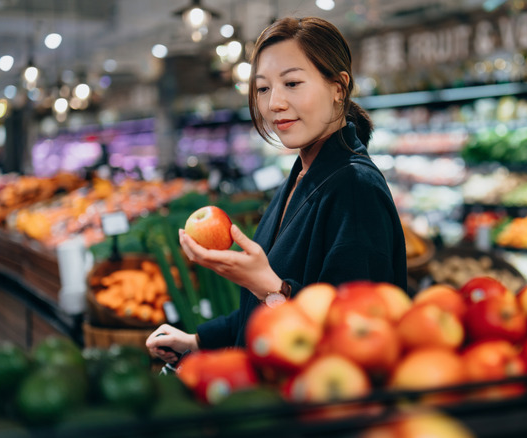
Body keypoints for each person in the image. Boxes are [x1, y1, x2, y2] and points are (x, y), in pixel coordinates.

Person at [146, 16, 408, 363]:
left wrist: (268, 286)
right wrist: (198, 340)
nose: (274, 105)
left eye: (293, 83)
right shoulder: (302, 174)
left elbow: (356, 336)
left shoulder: (355, 190)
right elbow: (259, 311)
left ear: (338, 88)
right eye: (264, 88)